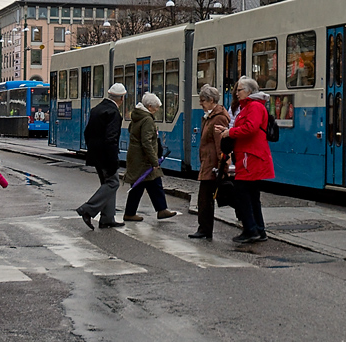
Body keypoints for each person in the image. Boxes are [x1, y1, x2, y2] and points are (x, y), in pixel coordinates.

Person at [216, 76, 274, 244]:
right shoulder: (249, 106)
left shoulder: (254, 106)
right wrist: (229, 130)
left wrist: (230, 133)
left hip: (251, 157)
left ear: (248, 91)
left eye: (239, 90)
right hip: (250, 156)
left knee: (243, 194)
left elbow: (250, 128)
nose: (236, 93)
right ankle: (258, 230)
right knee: (252, 195)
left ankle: (251, 229)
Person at [76, 83, 127, 229]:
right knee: (113, 183)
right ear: (121, 98)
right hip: (106, 156)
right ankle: (87, 209)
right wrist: (113, 161)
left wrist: (93, 149)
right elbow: (111, 139)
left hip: (96, 155)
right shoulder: (113, 113)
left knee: (107, 184)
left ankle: (107, 218)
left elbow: (87, 133)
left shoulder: (96, 109)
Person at [122, 93, 177, 222]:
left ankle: (161, 209)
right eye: (156, 107)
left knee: (154, 182)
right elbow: (146, 142)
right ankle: (130, 213)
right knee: (139, 185)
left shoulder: (138, 116)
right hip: (143, 160)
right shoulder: (147, 119)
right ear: (150, 106)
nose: (157, 110)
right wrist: (154, 161)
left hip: (139, 157)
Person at [188, 85, 230, 240]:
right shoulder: (209, 116)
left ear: (211, 100)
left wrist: (222, 165)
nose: (200, 103)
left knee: (205, 198)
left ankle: (204, 229)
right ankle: (204, 228)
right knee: (206, 197)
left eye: (203, 100)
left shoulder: (218, 117)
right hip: (208, 162)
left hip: (212, 164)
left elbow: (221, 143)